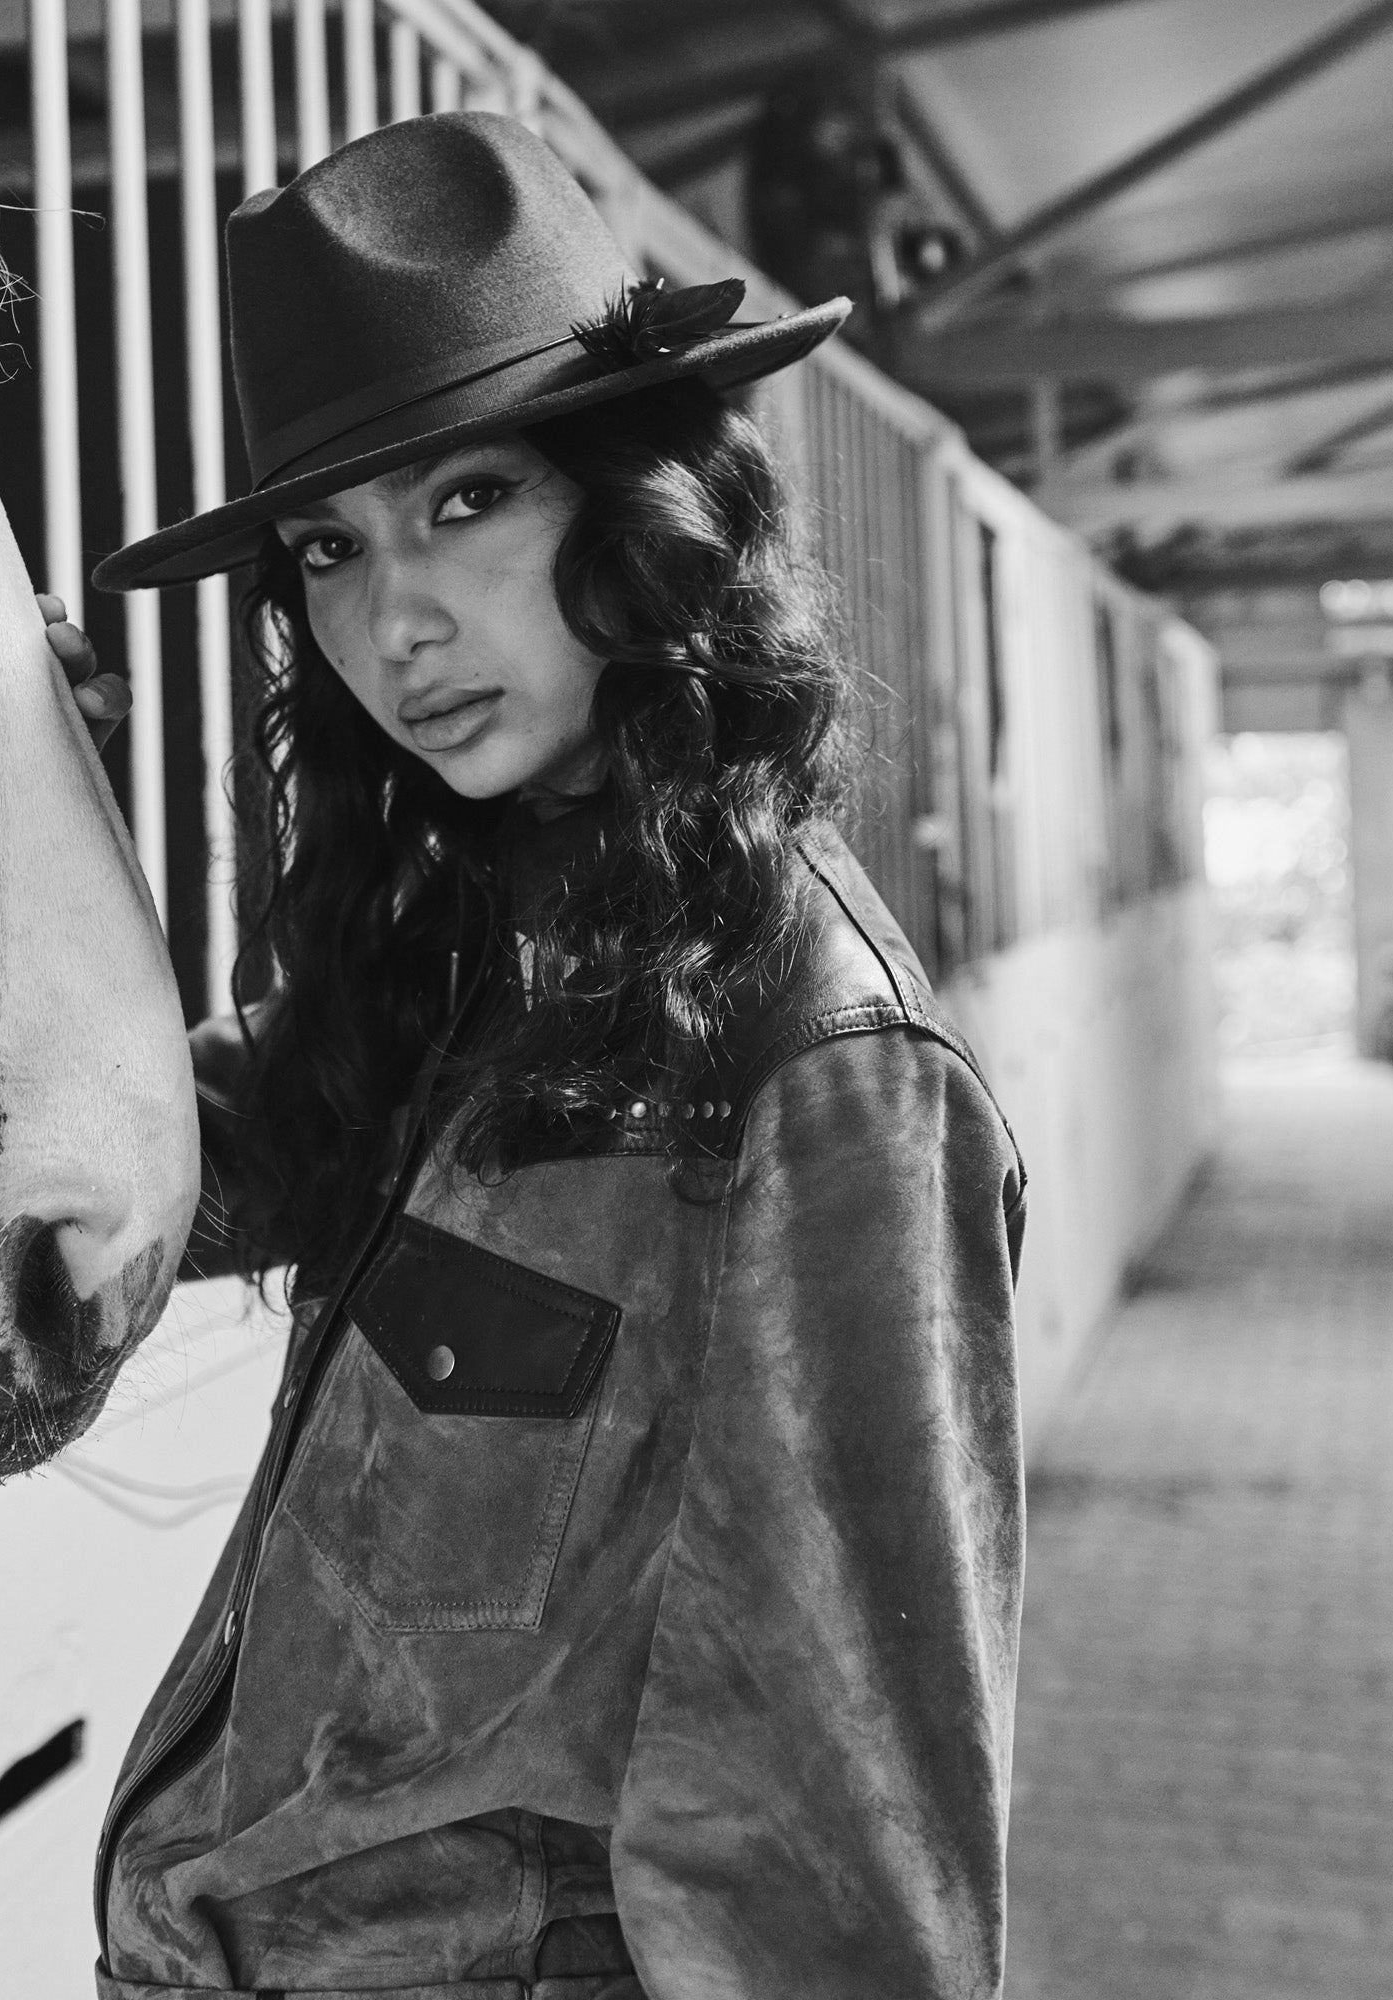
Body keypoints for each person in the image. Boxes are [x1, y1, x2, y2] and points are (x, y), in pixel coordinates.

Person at [75, 112, 1027, 2000]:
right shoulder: (456, 957)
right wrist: (20, 837)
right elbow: (134, 1181)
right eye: (330, 550)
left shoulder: (821, 1063)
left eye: (467, 502)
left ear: (637, 503)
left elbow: (839, 1876)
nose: (395, 621)